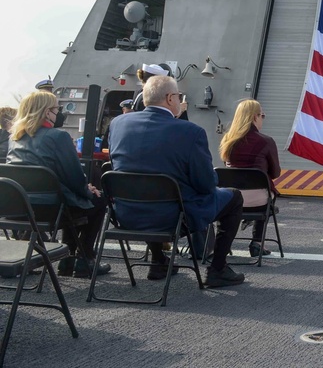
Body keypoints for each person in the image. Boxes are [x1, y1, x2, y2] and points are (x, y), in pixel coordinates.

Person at [108, 75, 245, 288]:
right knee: (234, 197)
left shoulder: (118, 124)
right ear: (171, 98)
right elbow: (206, 184)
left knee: (147, 190)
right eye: (178, 96)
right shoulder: (190, 132)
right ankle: (218, 269)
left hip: (127, 214)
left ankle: (158, 261)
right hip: (173, 216)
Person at [6, 91, 111, 278]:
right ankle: (84, 259)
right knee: (97, 201)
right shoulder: (58, 137)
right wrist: (88, 190)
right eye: (57, 109)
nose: (59, 113)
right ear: (47, 112)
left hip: (20, 209)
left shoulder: (15, 139)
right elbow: (74, 176)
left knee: (74, 201)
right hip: (51, 210)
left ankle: (68, 260)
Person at [219, 99, 280, 257]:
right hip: (257, 200)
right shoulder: (266, 141)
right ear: (255, 117)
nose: (262, 119)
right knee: (268, 192)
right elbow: (275, 173)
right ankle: (257, 242)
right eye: (263, 116)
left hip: (230, 198)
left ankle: (224, 243)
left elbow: (226, 168)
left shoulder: (227, 141)